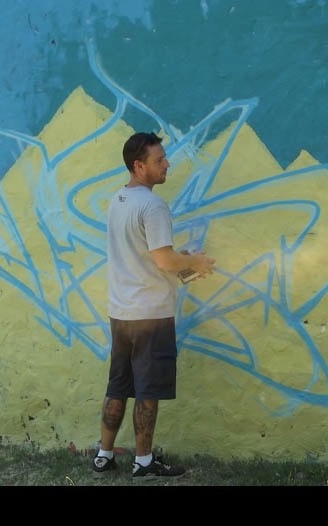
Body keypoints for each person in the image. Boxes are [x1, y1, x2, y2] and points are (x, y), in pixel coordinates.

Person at [92, 131, 217, 478]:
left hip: (121, 312)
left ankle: (103, 455)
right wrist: (195, 262)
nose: (167, 164)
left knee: (118, 386)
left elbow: (145, 255)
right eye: (159, 159)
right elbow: (164, 260)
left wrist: (181, 260)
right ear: (139, 165)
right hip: (150, 314)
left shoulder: (118, 200)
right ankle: (144, 462)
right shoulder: (153, 206)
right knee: (147, 392)